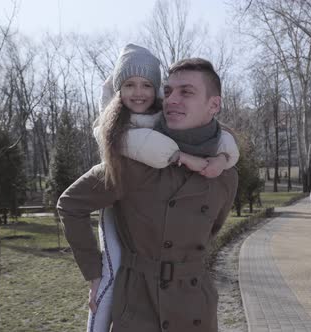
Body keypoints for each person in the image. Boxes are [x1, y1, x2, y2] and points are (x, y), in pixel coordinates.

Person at [62, 46, 239, 332]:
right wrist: (95, 274)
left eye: (186, 92)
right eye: (168, 91)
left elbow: (209, 232)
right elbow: (70, 204)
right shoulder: (134, 161)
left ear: (214, 105)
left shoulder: (225, 175)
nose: (172, 100)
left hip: (197, 307)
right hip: (140, 307)